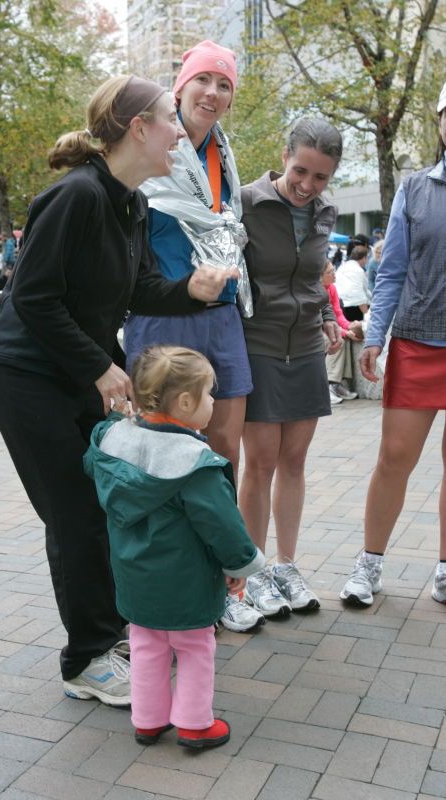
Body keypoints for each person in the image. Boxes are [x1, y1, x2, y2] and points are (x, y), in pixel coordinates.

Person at [0, 74, 237, 707]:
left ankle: (102, 635)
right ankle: (85, 660)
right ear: (137, 129)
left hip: (68, 370)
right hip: (24, 373)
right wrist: (99, 366)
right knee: (73, 512)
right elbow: (34, 298)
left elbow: (140, 288)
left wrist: (191, 291)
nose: (180, 131)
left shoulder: (133, 203)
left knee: (96, 507)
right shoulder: (75, 196)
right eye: (168, 119)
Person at [123, 40, 262, 634]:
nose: (213, 92)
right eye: (202, 80)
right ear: (179, 89)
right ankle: (149, 584)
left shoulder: (224, 158)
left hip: (223, 313)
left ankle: (222, 580)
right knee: (155, 449)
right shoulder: (153, 145)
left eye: (224, 84)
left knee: (225, 445)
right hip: (161, 315)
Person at [86, 346, 265, 748]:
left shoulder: (115, 442)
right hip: (186, 582)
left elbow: (92, 463)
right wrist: (240, 565)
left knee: (146, 645)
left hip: (134, 577)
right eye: (209, 394)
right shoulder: (193, 462)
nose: (214, 402)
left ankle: (148, 720)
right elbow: (223, 525)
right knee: (195, 648)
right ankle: (195, 723)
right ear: (185, 402)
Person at [340, 82, 446, 608]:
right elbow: (393, 270)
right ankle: (370, 563)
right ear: (441, 121)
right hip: (418, 339)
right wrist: (375, 336)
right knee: (395, 456)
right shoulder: (417, 187)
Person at [238, 118, 343, 617]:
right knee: (259, 462)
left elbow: (316, 278)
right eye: (301, 170)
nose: (307, 186)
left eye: (320, 177)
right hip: (256, 345)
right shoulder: (245, 203)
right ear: (284, 156)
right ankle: (252, 571)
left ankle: (286, 566)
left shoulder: (325, 213)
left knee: (295, 462)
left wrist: (326, 319)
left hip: (304, 350)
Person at [321, 260, 362, 405]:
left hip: (329, 327)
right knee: (335, 341)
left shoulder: (332, 288)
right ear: (319, 276)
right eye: (330, 272)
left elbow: (337, 315)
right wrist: (343, 332)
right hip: (316, 329)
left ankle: (337, 384)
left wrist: (349, 327)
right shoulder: (314, 289)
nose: (334, 274)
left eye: (334, 270)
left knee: (346, 340)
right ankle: (328, 384)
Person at [335, 244, 371, 321]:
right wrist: (367, 316)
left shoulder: (342, 267)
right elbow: (359, 295)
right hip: (354, 308)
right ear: (364, 258)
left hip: (340, 306)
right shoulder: (358, 271)